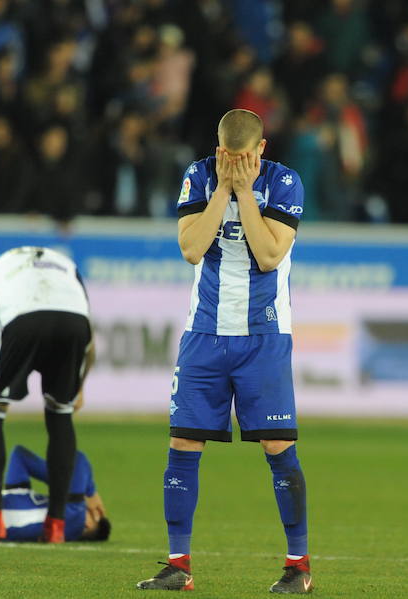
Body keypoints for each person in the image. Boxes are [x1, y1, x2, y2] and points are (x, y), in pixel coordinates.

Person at [136, 109, 313, 594]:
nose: (234, 166)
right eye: (226, 157)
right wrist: (222, 190)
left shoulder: (284, 183)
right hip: (204, 336)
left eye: (244, 158)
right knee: (182, 445)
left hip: (264, 337)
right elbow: (192, 249)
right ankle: (178, 565)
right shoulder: (198, 176)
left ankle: (298, 566)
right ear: (218, 149)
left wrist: (243, 195)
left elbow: (269, 255)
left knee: (279, 449)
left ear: (261, 150)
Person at [0, 246, 95, 544]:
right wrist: (80, 387)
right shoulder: (67, 267)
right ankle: (57, 526)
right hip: (74, 323)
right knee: (61, 414)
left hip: (22, 320)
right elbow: (90, 340)